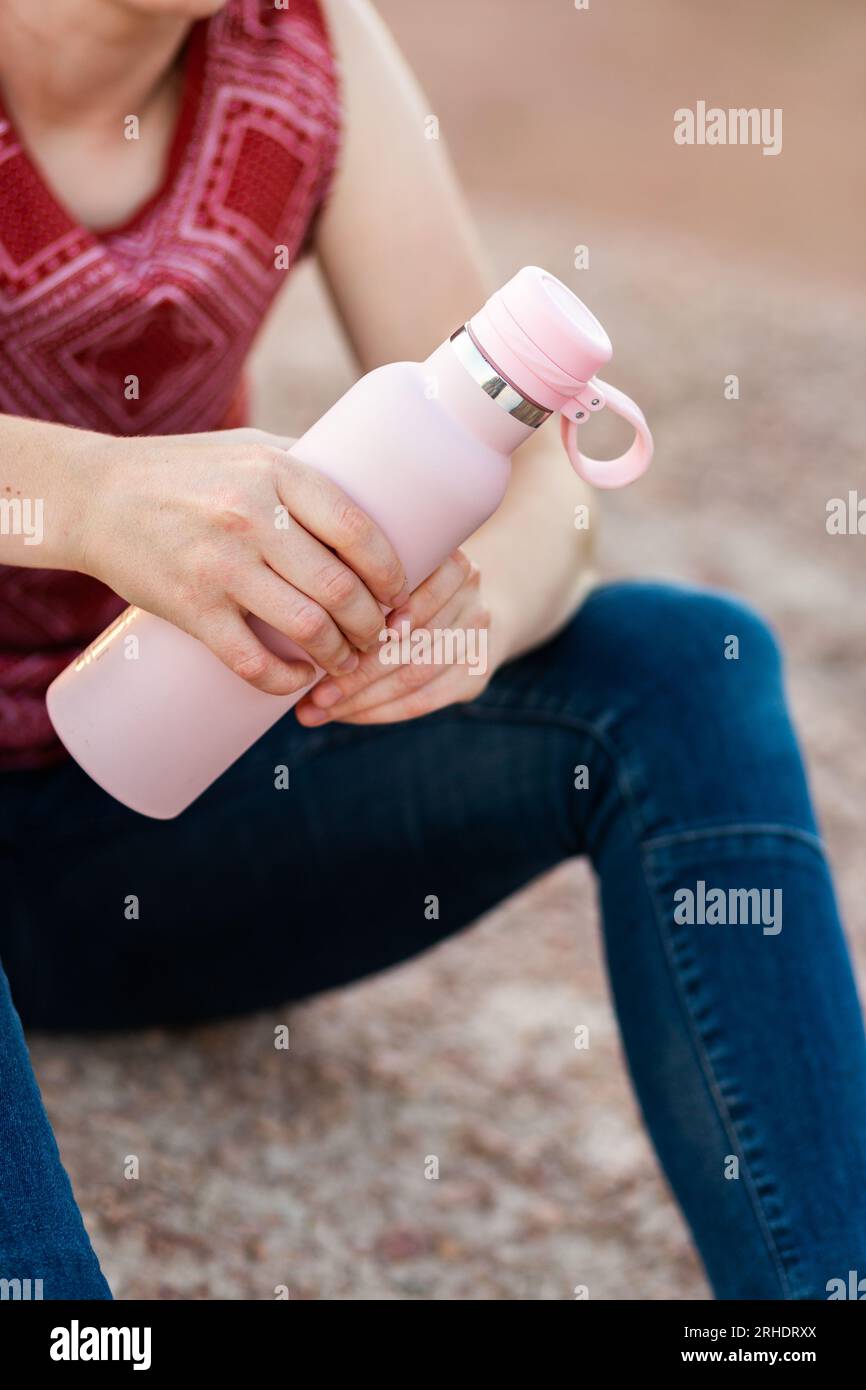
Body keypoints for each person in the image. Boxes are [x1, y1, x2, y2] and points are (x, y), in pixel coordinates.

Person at [0, 0, 864, 1302]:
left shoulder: (306, 47)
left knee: (684, 671)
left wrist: (475, 616)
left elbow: (543, 489)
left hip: (149, 823)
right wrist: (89, 498)